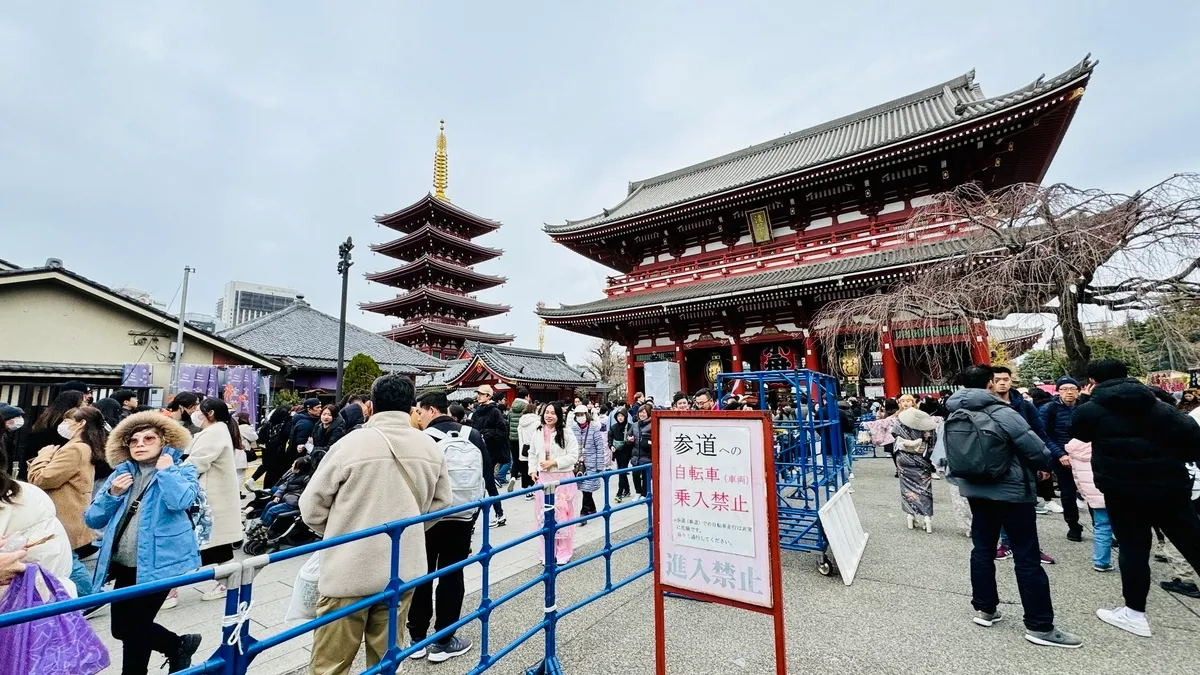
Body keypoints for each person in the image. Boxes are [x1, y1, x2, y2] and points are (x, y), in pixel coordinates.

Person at [300, 375, 452, 675]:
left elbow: (310, 507)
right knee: (385, 661)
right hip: (402, 566)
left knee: (330, 664)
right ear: (411, 407)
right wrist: (409, 529)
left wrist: (337, 530)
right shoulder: (430, 446)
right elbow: (442, 502)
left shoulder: (349, 445)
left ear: (371, 406)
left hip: (348, 568)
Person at [944, 365, 1080, 648]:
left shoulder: (954, 412)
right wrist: (1043, 468)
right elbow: (1036, 449)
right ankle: (1039, 625)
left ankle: (985, 608)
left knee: (982, 549)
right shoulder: (1002, 412)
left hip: (975, 490)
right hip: (1011, 491)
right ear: (990, 384)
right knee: (1026, 556)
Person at [1069, 358, 1200, 638]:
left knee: (1134, 550)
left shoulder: (1091, 410)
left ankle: (1135, 614)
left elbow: (1078, 432)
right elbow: (1193, 438)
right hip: (1169, 487)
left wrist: (1084, 399)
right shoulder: (1159, 406)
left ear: (1092, 381)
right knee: (1193, 541)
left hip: (1123, 490)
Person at [84, 411, 203, 673]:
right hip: (124, 563)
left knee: (135, 628)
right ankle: (177, 644)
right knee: (122, 629)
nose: (140, 444)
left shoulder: (183, 468)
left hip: (161, 563)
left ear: (164, 441)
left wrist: (167, 471)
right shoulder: (122, 473)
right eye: (133, 440)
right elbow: (92, 519)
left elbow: (181, 501)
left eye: (149, 438)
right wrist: (113, 493)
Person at [407, 391, 486, 663]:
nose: (417, 416)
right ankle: (444, 639)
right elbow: (486, 474)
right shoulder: (472, 435)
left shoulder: (420, 440)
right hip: (462, 516)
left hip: (427, 519)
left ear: (430, 410)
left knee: (422, 575)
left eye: (419, 411)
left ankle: (417, 638)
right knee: (453, 575)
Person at [27, 405, 103, 596]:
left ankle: (90, 596)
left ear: (81, 424)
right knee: (67, 556)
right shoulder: (85, 446)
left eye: (66, 421)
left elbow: (41, 479)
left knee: (68, 557)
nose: (62, 425)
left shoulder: (75, 449)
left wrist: (43, 457)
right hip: (74, 510)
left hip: (65, 512)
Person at [185, 397, 243, 601]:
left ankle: (226, 583)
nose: (195, 413)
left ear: (209, 414)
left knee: (213, 542)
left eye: (199, 409)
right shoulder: (217, 430)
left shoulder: (214, 433)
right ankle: (228, 582)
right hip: (213, 496)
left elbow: (196, 462)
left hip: (211, 496)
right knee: (217, 543)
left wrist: (170, 472)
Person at [0, 468, 78, 598]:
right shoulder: (28, 493)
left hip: (28, 607)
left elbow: (43, 476)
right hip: (42, 603)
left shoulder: (24, 499)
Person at [530, 402, 581, 564]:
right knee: (544, 516)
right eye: (547, 412)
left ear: (559, 416)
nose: (549, 416)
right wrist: (532, 469)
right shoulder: (537, 432)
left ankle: (563, 552)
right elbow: (532, 453)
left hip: (562, 478)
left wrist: (554, 462)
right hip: (543, 479)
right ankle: (547, 552)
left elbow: (573, 456)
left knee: (563, 515)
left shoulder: (566, 433)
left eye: (553, 413)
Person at [1037, 376, 1083, 540]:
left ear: (1078, 391)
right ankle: (1073, 526)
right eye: (1064, 389)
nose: (1069, 392)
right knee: (1068, 492)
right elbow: (1043, 435)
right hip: (1061, 456)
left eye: (1072, 389)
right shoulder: (1049, 409)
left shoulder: (1085, 407)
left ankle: (1102, 529)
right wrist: (1060, 454)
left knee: (1093, 493)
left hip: (1085, 456)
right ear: (1058, 392)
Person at [1063, 437, 1113, 572]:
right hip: (1113, 491)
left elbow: (1076, 477)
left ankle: (1101, 561)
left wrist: (1084, 493)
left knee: (1101, 526)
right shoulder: (1107, 443)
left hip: (1093, 493)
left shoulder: (1074, 447)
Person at [892, 405, 938, 533]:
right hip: (921, 459)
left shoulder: (899, 423)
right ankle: (927, 517)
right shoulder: (927, 427)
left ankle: (910, 515)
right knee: (924, 487)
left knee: (906, 487)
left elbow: (893, 436)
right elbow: (933, 444)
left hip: (903, 458)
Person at [20, 389, 86, 479]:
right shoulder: (63, 431)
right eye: (83, 403)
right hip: (44, 474)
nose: (86, 406)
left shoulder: (45, 423)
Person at [469, 385, 509, 527]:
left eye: (482, 394)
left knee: (485, 485)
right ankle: (499, 513)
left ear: (489, 396)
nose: (479, 396)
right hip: (477, 451)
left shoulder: (494, 412)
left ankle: (473, 521)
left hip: (490, 452)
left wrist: (487, 434)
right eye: (478, 393)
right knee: (487, 485)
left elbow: (502, 432)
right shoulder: (477, 411)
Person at [571, 404, 607, 522]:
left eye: (581, 415)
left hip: (592, 463)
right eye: (578, 415)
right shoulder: (573, 428)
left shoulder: (594, 428)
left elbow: (600, 447)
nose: (580, 417)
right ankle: (592, 508)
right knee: (583, 487)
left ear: (587, 415)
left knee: (587, 488)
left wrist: (600, 466)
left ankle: (584, 512)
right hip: (578, 464)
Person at [260, 456, 314, 526]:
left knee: (272, 510)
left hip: (293, 503)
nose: (291, 465)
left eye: (293, 465)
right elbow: (284, 486)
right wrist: (278, 495)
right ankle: (262, 521)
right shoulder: (293, 476)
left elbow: (307, 492)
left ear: (298, 469)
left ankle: (265, 527)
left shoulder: (306, 479)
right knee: (270, 504)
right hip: (287, 498)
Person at [250, 405, 293, 491]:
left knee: (269, 473)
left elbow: (260, 439)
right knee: (277, 476)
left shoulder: (268, 424)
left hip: (267, 452)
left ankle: (261, 487)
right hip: (280, 454)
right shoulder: (285, 425)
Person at [506, 389, 530, 492]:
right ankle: (526, 486)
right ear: (526, 397)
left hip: (512, 438)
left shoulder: (511, 408)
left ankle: (513, 477)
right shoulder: (527, 408)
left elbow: (509, 422)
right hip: (523, 438)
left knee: (515, 460)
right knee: (525, 461)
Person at [517, 399, 541, 501]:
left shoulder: (521, 421)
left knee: (524, 469)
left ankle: (526, 490)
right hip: (533, 448)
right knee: (533, 468)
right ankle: (533, 489)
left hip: (523, 447)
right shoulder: (537, 421)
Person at [628, 405, 653, 498]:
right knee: (635, 475)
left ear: (648, 413)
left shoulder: (652, 424)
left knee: (646, 476)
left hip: (647, 455)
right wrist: (629, 439)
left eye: (644, 412)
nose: (642, 414)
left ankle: (644, 493)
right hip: (635, 455)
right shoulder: (634, 425)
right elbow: (629, 436)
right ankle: (638, 492)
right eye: (640, 412)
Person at [608, 409, 632, 502]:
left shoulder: (630, 427)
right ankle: (627, 489)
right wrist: (611, 446)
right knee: (622, 471)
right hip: (618, 452)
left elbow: (633, 439)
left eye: (622, 416)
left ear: (625, 417)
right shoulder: (614, 427)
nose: (620, 418)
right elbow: (610, 437)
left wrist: (630, 441)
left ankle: (619, 492)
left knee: (622, 471)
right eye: (618, 416)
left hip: (627, 451)